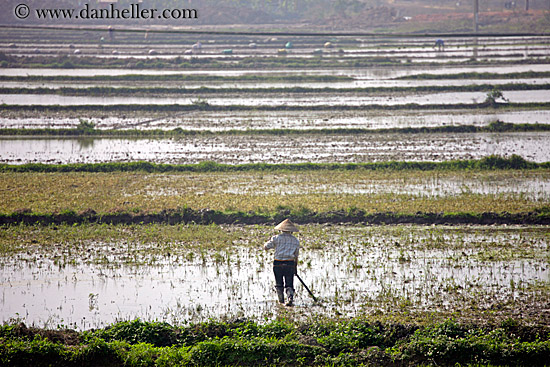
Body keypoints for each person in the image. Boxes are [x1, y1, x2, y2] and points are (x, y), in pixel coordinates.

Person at [264, 219, 300, 306]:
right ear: (291, 231)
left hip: (278, 263)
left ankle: (281, 301)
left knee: (279, 284)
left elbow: (266, 247)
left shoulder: (276, 238)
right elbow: (296, 256)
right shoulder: (295, 240)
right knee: (289, 284)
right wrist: (295, 268)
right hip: (290, 264)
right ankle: (290, 298)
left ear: (281, 229)